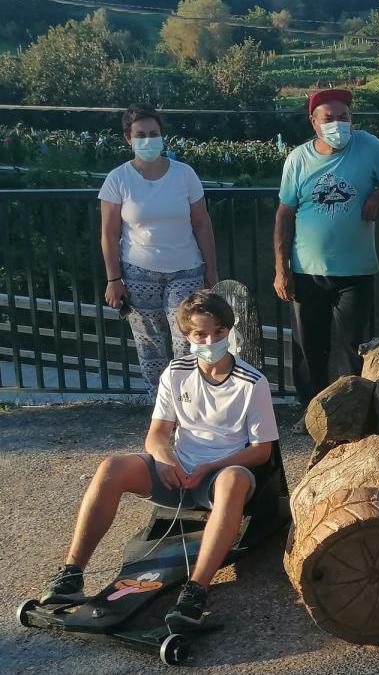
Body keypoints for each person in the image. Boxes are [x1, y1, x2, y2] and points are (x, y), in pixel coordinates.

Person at [40, 291, 279, 631]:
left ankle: (196, 590)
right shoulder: (176, 371)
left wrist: (208, 468)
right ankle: (72, 574)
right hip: (177, 468)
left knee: (233, 482)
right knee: (112, 467)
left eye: (218, 332)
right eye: (201, 334)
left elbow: (262, 451)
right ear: (187, 335)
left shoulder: (252, 382)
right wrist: (166, 460)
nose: (210, 340)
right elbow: (156, 434)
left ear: (228, 331)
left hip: (221, 471)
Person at [274, 89, 379, 415]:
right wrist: (281, 268)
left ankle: (353, 414)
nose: (338, 123)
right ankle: (312, 414)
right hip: (308, 270)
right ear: (314, 122)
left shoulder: (367, 146)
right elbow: (284, 214)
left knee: (354, 347)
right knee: (310, 349)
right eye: (329, 118)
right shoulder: (298, 159)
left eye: (344, 117)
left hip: (356, 271)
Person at [99, 104, 220, 394]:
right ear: (128, 137)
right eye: (141, 134)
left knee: (189, 338)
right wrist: (114, 279)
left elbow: (202, 224)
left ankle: (190, 401)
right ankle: (161, 407)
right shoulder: (118, 179)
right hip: (139, 273)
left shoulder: (184, 174)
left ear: (162, 136)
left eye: (154, 133)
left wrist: (212, 269)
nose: (148, 139)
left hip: (187, 269)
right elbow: (109, 233)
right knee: (149, 344)